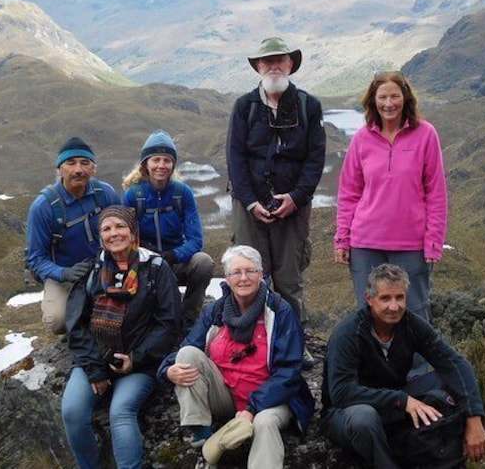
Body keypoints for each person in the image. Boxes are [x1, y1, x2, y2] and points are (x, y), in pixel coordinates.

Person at [157, 245, 314, 469]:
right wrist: (166, 370)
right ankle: (202, 432)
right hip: (227, 393)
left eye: (250, 271)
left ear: (261, 274)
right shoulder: (217, 311)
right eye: (236, 272)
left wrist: (251, 409)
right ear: (227, 277)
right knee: (187, 354)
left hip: (271, 400)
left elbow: (289, 371)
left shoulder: (280, 311)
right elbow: (190, 344)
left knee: (265, 422)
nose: (243, 278)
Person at [321, 263, 485, 468]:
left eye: (399, 297)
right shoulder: (348, 333)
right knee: (364, 418)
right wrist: (401, 400)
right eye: (385, 298)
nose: (394, 306)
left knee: (449, 379)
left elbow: (454, 363)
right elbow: (341, 392)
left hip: (393, 400)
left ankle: (445, 455)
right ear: (369, 299)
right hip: (346, 412)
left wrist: (474, 417)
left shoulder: (410, 324)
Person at [226, 36, 326, 368]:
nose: (273, 66)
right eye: (267, 61)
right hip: (249, 204)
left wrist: (297, 198)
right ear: (257, 67)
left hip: (292, 206)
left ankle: (293, 344)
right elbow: (235, 159)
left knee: (288, 277)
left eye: (279, 60)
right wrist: (251, 202)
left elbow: (315, 159)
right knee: (250, 274)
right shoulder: (244, 106)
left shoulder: (308, 106)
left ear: (290, 65)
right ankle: (251, 343)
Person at [61, 205, 181, 469]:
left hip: (140, 362)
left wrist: (135, 359)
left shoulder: (157, 268)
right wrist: (95, 369)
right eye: (106, 228)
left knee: (121, 411)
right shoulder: (91, 270)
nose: (114, 233)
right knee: (72, 412)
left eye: (120, 227)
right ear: (101, 236)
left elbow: (168, 323)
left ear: (133, 231)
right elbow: (76, 324)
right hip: (96, 359)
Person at [334, 70, 447, 322]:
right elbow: (349, 193)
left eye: (394, 96)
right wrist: (342, 239)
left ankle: (417, 364)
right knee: (368, 312)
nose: (388, 104)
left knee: (415, 312)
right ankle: (374, 363)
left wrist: (434, 241)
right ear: (373, 100)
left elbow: (436, 193)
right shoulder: (362, 138)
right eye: (382, 97)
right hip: (365, 243)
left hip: (411, 244)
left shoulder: (426, 134)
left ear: (405, 98)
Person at [25, 136, 121, 335]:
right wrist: (64, 273)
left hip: (104, 266)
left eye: (85, 163)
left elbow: (124, 230)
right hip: (64, 274)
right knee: (57, 321)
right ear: (59, 169)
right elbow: (36, 258)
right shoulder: (43, 207)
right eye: (71, 163)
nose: (78, 169)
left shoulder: (105, 193)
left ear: (93, 169)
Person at [122, 130, 213, 329]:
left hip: (176, 261)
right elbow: (125, 240)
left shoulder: (183, 193)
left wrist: (173, 255)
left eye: (167, 160)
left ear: (173, 164)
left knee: (203, 262)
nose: (161, 166)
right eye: (156, 160)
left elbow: (196, 241)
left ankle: (189, 316)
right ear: (145, 163)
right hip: (146, 265)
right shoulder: (132, 196)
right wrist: (150, 258)